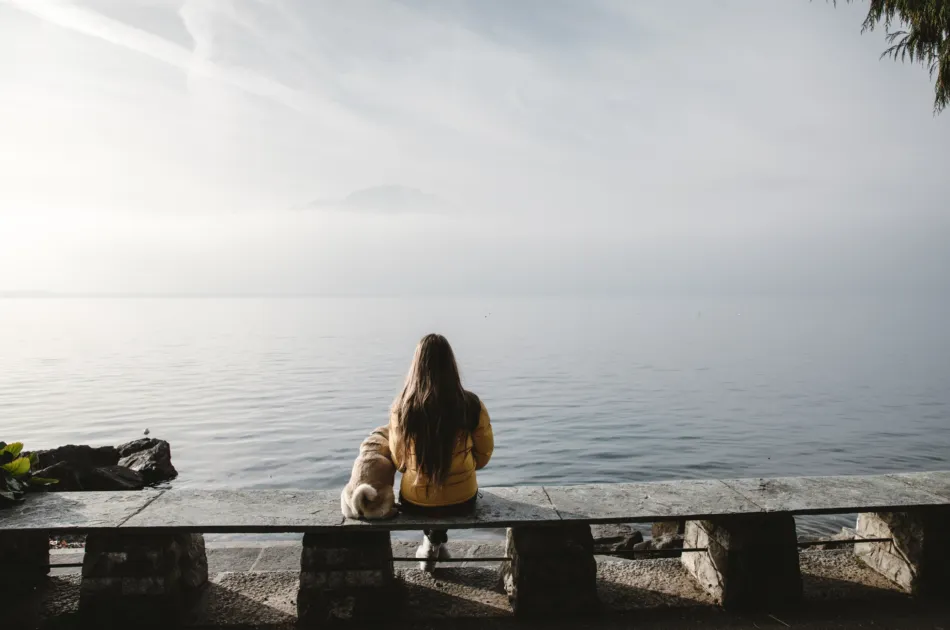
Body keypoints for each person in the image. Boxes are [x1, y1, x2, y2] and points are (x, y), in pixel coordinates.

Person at [389, 333, 494, 572]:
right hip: (462, 501)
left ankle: (431, 542)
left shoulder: (402, 407)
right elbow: (484, 455)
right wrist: (463, 466)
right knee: (447, 491)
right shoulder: (471, 404)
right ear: (451, 365)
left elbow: (400, 461)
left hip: (415, 503)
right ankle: (434, 542)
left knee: (430, 492)